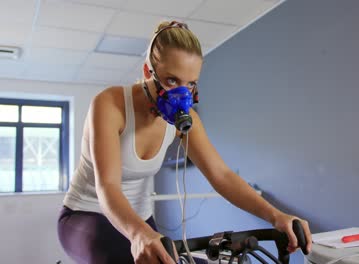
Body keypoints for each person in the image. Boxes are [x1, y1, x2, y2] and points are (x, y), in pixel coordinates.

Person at [57, 20, 312, 264]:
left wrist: (276, 216)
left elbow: (221, 175)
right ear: (149, 71)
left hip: (142, 221)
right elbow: (108, 186)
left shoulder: (186, 120)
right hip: (87, 215)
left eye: (190, 84)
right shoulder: (110, 105)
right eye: (171, 81)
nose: (182, 94)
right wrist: (138, 234)